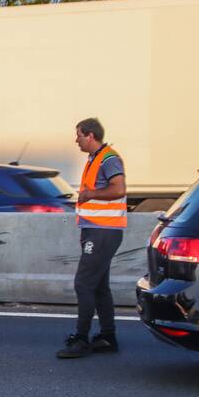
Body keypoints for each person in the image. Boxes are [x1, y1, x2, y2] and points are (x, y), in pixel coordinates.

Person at [57, 117, 127, 359]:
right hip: (97, 230)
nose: (76, 139)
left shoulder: (109, 159)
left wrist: (91, 194)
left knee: (84, 284)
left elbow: (119, 189)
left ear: (90, 135)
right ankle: (108, 337)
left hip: (103, 231)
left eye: (78, 134)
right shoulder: (95, 158)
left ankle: (81, 339)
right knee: (99, 286)